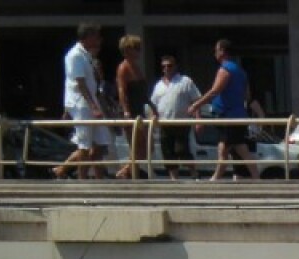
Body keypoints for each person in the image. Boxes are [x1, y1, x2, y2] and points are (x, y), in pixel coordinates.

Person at [188, 38, 258, 181]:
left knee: (235, 149)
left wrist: (197, 104)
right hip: (236, 115)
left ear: (222, 51)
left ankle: (218, 179)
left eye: (216, 50)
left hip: (230, 116)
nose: (215, 53)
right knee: (228, 148)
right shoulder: (240, 71)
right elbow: (247, 95)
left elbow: (215, 91)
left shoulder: (225, 70)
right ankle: (220, 177)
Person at [53, 23, 110, 180]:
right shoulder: (75, 55)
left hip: (91, 102)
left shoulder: (87, 55)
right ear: (88, 37)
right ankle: (82, 181)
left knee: (100, 143)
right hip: (82, 104)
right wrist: (92, 106)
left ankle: (99, 179)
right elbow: (79, 82)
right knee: (84, 145)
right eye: (96, 36)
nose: (99, 40)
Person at [150, 53, 202, 180]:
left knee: (182, 150)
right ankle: (174, 179)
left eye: (170, 66)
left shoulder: (185, 81)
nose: (167, 69)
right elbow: (153, 105)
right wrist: (153, 117)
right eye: (164, 67)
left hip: (181, 122)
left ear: (175, 66)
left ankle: (195, 173)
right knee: (168, 153)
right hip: (164, 124)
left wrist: (198, 120)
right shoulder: (158, 85)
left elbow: (196, 101)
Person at [115, 35, 152, 178]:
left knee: (146, 146)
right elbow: (121, 90)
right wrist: (125, 111)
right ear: (127, 50)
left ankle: (129, 170)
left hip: (140, 110)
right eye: (135, 48)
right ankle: (126, 171)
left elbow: (143, 92)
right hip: (130, 111)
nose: (139, 51)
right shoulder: (123, 68)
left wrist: (152, 106)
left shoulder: (137, 67)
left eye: (139, 48)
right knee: (136, 145)